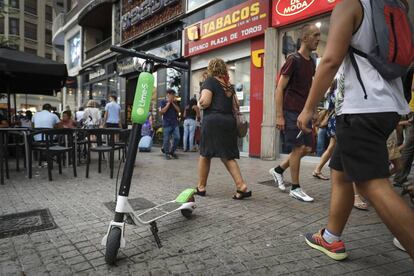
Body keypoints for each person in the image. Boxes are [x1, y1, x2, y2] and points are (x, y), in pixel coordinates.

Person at [297, 0, 414, 260]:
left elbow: (330, 61)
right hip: (387, 106)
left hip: (362, 107)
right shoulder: (394, 6)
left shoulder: (350, 4)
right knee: (341, 171)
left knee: (370, 183)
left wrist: (308, 109)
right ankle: (331, 238)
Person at [269, 23, 320, 202]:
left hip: (303, 112)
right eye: (315, 35)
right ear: (304, 38)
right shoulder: (294, 59)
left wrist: (312, 110)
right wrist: (279, 115)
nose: (318, 39)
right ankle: (296, 188)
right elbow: (279, 88)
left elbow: (309, 88)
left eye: (319, 35)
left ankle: (278, 170)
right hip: (290, 111)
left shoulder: (311, 62)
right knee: (298, 148)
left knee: (306, 148)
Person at [196, 58, 252, 200]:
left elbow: (206, 101)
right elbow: (237, 106)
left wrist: (199, 102)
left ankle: (201, 187)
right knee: (228, 156)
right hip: (229, 122)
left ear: (211, 68)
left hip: (214, 121)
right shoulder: (228, 85)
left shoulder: (210, 81)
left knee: (205, 154)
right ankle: (241, 186)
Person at [159, 89, 180, 160]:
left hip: (175, 123)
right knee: (166, 140)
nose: (173, 96)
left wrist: (172, 103)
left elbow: (178, 110)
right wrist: (168, 103)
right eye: (172, 95)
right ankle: (166, 154)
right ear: (168, 94)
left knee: (177, 137)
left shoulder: (175, 102)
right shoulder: (163, 101)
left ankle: (172, 152)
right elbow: (162, 112)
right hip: (167, 124)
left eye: (174, 95)